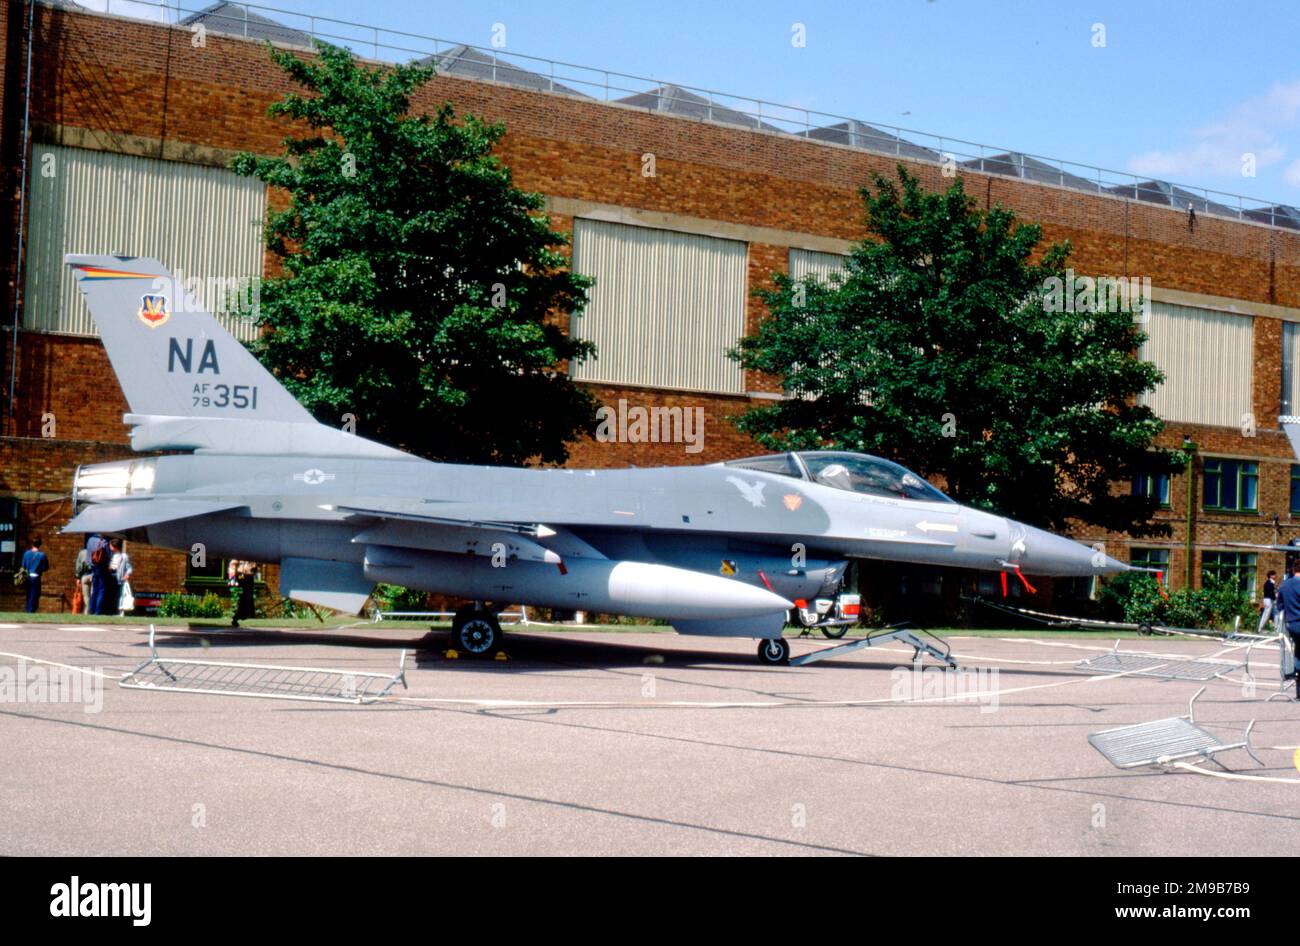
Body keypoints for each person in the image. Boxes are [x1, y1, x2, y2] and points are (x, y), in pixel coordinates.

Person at [1273, 561, 1300, 699]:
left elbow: (1279, 606)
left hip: (1292, 625)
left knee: (1298, 653)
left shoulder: (1285, 585)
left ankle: (1298, 689)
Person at [20, 538, 49, 613]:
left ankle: (27, 609)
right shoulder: (42, 555)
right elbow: (45, 567)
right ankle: (31, 610)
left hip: (27, 576)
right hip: (36, 577)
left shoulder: (26, 554)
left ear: (32, 544)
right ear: (40, 545)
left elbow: (23, 566)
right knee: (35, 595)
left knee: (28, 594)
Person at [87, 534, 112, 615]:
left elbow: (88, 555)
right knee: (101, 590)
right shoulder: (104, 542)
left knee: (94, 590)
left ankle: (91, 610)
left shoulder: (90, 539)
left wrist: (91, 565)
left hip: (93, 567)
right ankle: (97, 611)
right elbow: (108, 555)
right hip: (102, 567)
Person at [109, 539, 133, 616]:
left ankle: (119, 612)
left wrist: (127, 575)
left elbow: (129, 568)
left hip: (119, 578)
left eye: (111, 546)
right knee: (112, 596)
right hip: (111, 577)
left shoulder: (124, 556)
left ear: (115, 547)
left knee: (119, 596)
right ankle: (112, 612)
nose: (109, 547)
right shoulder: (112, 555)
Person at [74, 545, 93, 614]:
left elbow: (78, 566)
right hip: (94, 575)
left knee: (86, 597)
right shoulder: (96, 551)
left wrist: (78, 577)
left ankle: (86, 612)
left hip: (84, 575)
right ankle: (93, 612)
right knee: (93, 595)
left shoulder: (82, 552)